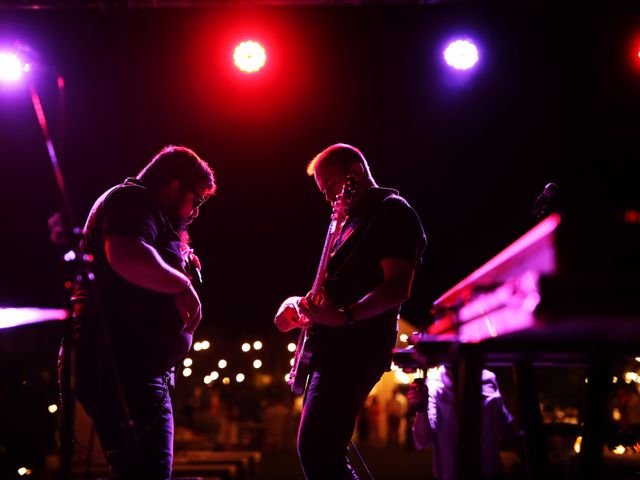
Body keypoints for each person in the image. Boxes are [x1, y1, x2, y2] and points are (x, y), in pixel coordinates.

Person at [274, 143, 427, 479]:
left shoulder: (392, 211)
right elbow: (334, 289)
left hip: (357, 346)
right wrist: (297, 306)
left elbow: (397, 287)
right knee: (319, 449)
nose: (329, 199)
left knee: (319, 449)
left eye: (330, 188)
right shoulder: (348, 223)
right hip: (334, 348)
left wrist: (346, 316)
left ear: (354, 174)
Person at [68, 145, 215, 479]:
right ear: (175, 186)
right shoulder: (132, 199)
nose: (196, 212)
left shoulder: (151, 212)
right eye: (198, 199)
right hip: (122, 365)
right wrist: (181, 284)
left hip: (135, 367)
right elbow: (125, 253)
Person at [408, 366, 515, 480]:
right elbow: (423, 440)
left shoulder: (489, 378)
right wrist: (421, 408)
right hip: (452, 474)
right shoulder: (434, 384)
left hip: (490, 472)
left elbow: (506, 426)